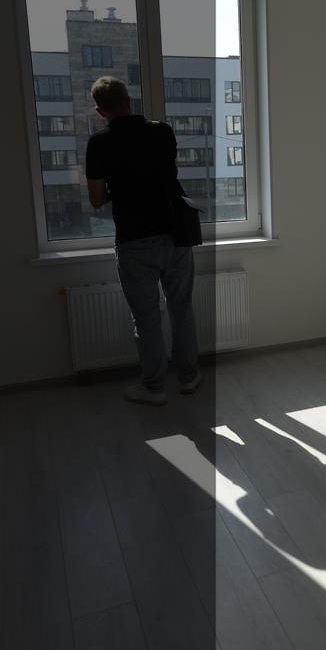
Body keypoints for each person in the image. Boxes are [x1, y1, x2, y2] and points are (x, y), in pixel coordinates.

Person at [85, 76, 201, 406]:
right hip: (175, 233)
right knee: (181, 309)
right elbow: (166, 174)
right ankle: (189, 378)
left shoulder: (99, 143)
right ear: (128, 101)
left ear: (100, 111)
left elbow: (96, 199)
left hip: (134, 241)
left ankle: (154, 388)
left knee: (147, 318)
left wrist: (118, 189)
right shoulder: (162, 132)